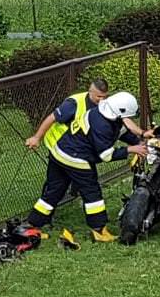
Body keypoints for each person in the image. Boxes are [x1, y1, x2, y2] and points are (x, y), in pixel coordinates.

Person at [21, 92, 149, 242]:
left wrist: (137, 140)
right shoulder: (102, 125)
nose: (129, 119)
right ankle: (99, 230)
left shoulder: (102, 113)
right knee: (92, 194)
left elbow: (120, 131)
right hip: (76, 159)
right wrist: (131, 150)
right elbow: (106, 155)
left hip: (60, 152)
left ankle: (31, 226)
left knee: (54, 191)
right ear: (119, 112)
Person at [25, 79, 109, 153]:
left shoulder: (105, 104)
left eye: (105, 96)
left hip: (78, 148)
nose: (102, 99)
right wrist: (36, 138)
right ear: (90, 91)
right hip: (59, 144)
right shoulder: (73, 103)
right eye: (99, 96)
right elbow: (52, 118)